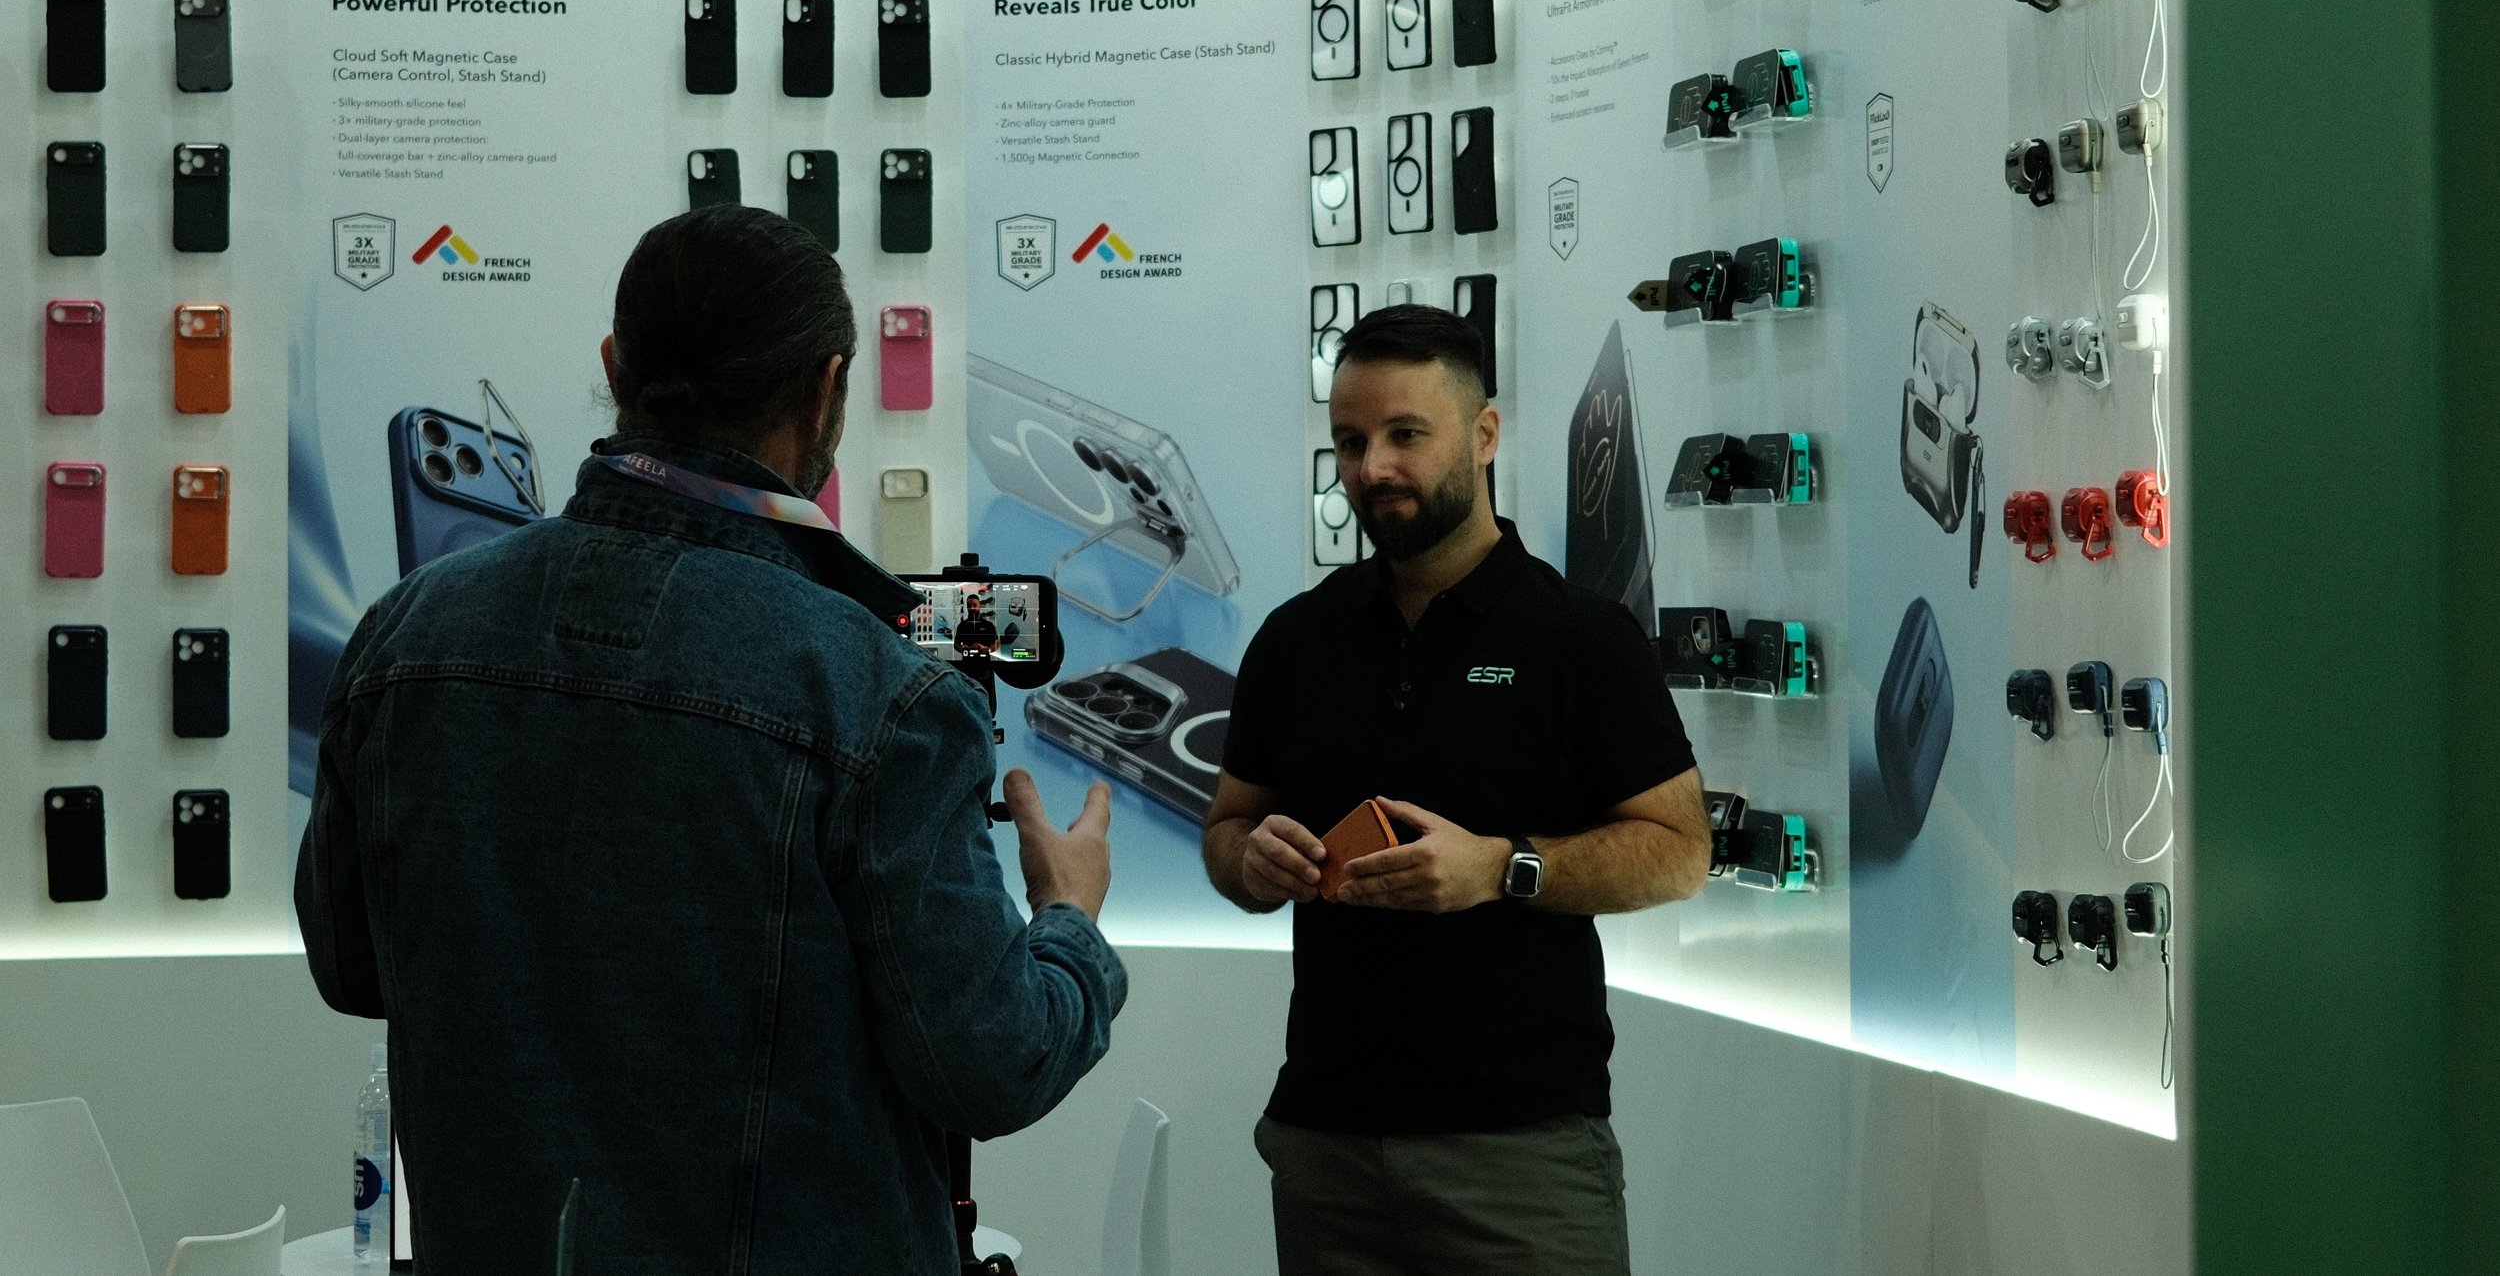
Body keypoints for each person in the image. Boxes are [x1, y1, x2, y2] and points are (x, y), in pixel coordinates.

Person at [296, 205, 1125, 1276]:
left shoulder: (403, 636)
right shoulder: (880, 690)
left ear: (614, 361)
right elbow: (994, 1063)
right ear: (827, 387)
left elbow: (354, 966)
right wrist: (1069, 921)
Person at [1203, 304, 1710, 1276]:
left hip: (1519, 1150)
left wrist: (1502, 867)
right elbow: (1227, 830)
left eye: (1404, 434)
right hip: (1325, 1141)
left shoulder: (1581, 638)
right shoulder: (1294, 639)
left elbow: (1680, 848)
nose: (1372, 467)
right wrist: (1251, 856)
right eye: (1350, 441)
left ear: (1483, 434)